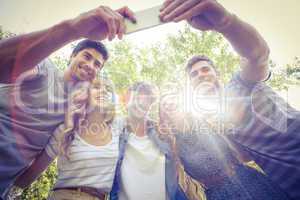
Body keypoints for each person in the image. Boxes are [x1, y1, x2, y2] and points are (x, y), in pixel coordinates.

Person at [160, 0, 300, 199]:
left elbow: (258, 55)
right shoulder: (216, 125)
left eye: (205, 69)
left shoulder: (241, 83)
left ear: (217, 73)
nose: (200, 74)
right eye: (194, 74)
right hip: (287, 185)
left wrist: (225, 22)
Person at [0, 6, 136, 198]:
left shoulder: (76, 110)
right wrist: (73, 29)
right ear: (72, 55)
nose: (90, 65)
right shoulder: (44, 69)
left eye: (97, 64)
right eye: (87, 56)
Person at [8, 77, 122, 200]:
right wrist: (10, 192)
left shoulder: (117, 129)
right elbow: (35, 170)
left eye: (108, 89)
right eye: (97, 87)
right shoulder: (66, 129)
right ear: (85, 94)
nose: (104, 91)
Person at [109, 82, 188, 200]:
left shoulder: (164, 135)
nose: (141, 103)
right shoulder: (112, 133)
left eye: (147, 100)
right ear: (126, 101)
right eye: (136, 97)